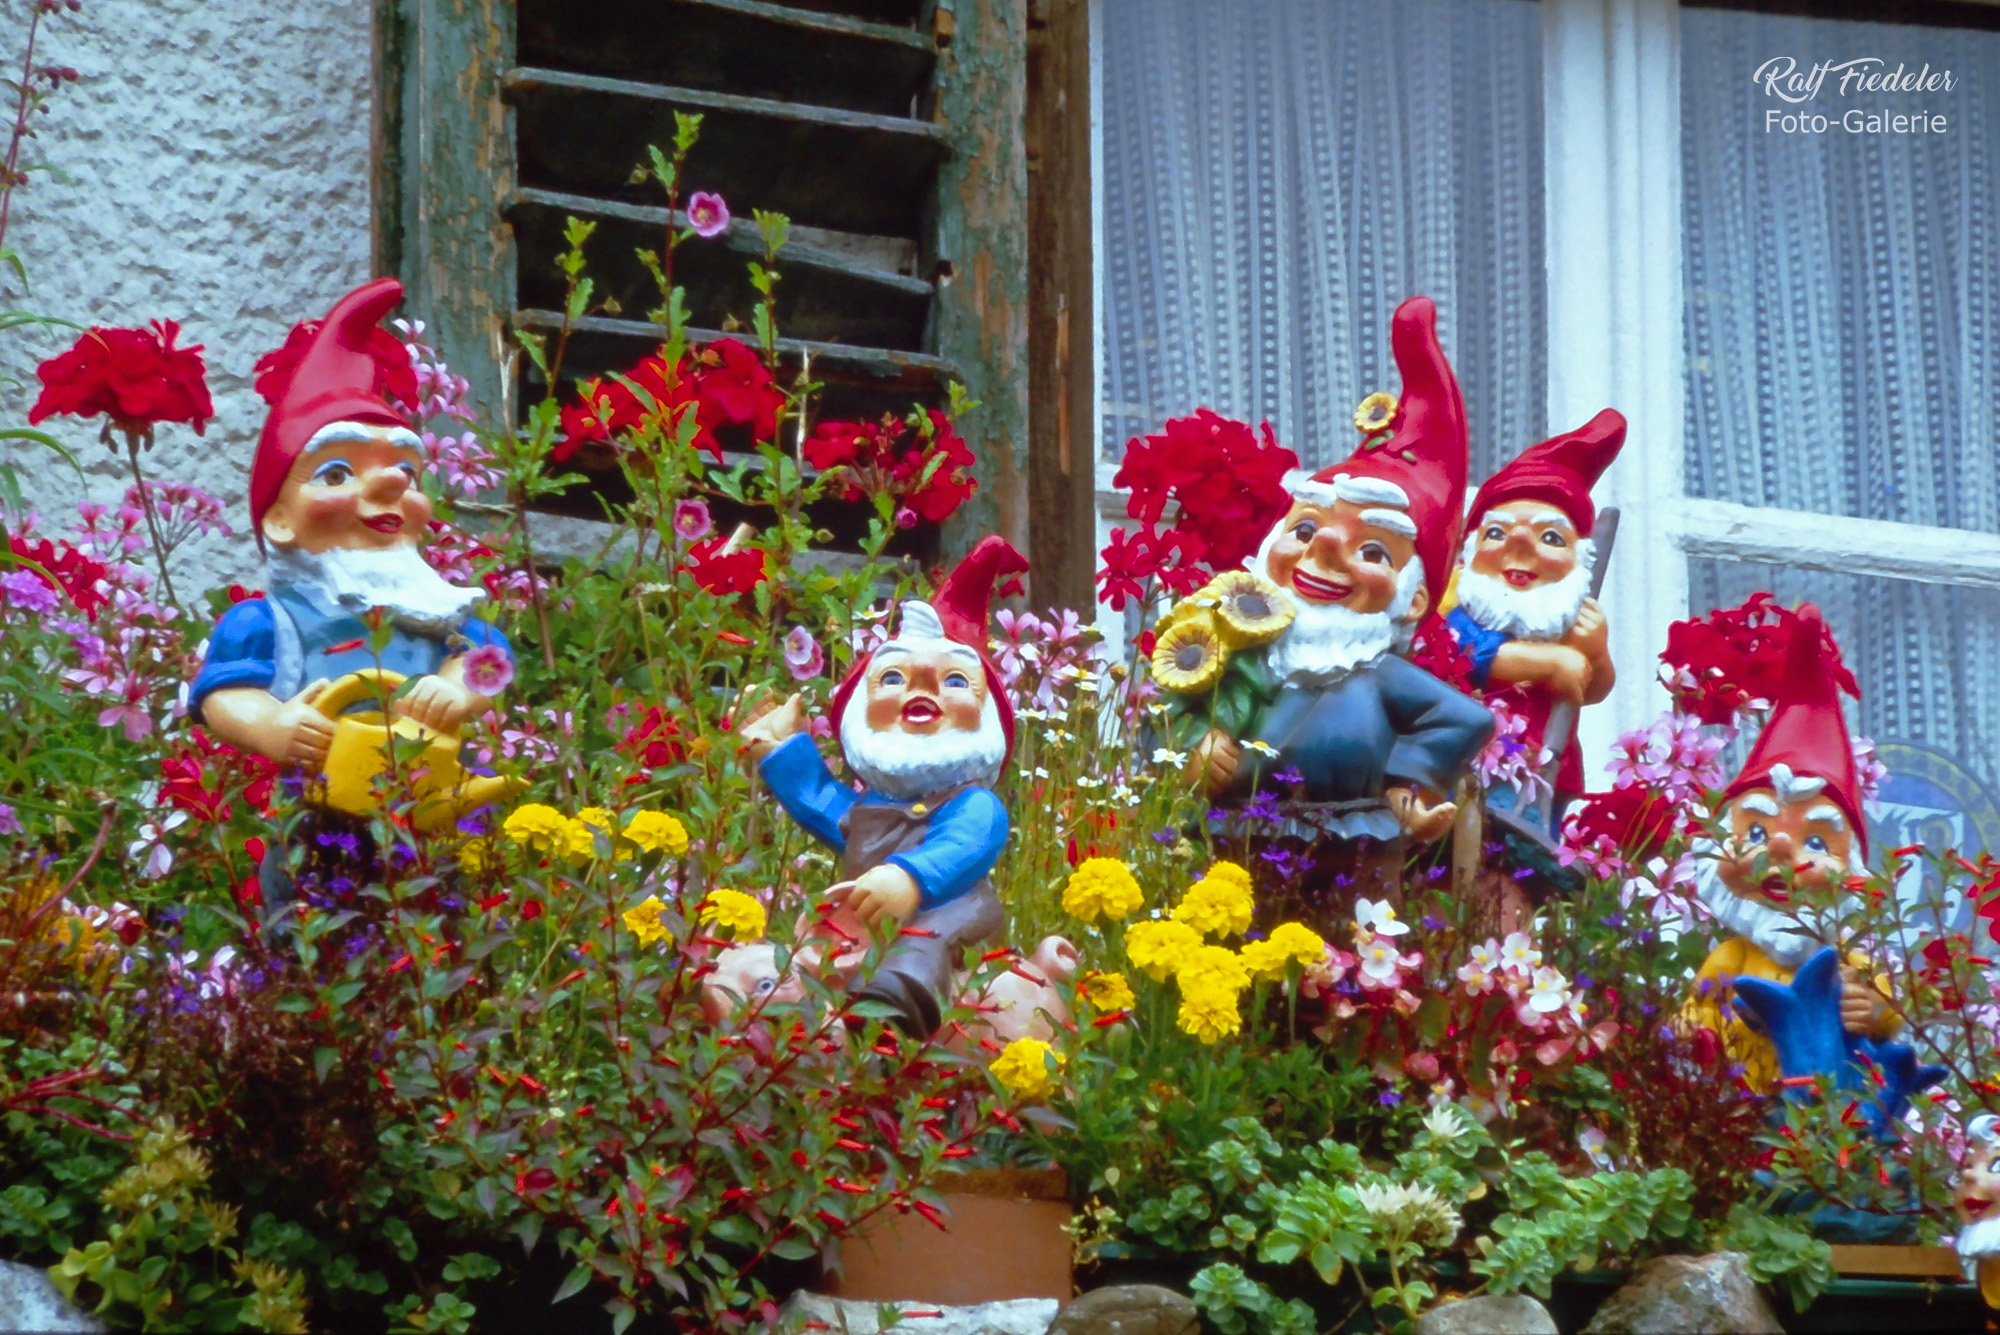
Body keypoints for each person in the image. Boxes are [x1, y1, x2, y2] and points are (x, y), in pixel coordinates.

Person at [188, 278, 515, 909]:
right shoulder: (267, 621)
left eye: (407, 471)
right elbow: (224, 697)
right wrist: (273, 728)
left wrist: (455, 687)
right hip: (316, 830)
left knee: (435, 935)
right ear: (279, 519)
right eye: (338, 472)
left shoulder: (432, 616)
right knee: (310, 936)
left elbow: (487, 662)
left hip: (429, 825)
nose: (392, 486)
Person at [1180, 297, 1494, 906]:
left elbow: (1466, 718)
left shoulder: (1381, 675)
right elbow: (1175, 703)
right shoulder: (1235, 650)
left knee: (1352, 957)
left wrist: (1410, 779)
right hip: (1237, 838)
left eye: (1372, 551)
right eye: (1304, 531)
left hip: (1355, 839)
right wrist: (1194, 743)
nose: (1323, 547)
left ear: (1413, 599)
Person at [739, 538, 1027, 1037]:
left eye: (955, 682)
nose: (921, 690)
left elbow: (965, 845)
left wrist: (911, 878)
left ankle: (897, 1012)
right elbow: (829, 807)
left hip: (951, 908)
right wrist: (782, 752)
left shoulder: (972, 804)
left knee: (921, 940)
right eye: (893, 677)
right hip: (868, 915)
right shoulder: (874, 807)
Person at [1680, 605, 1898, 1091]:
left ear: (1853, 869)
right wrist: (1704, 1033)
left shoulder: (1844, 962)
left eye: (1816, 842)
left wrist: (1875, 1009)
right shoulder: (1733, 959)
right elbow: (1696, 1014)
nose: (1781, 851)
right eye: (1755, 833)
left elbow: (1882, 1007)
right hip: (1734, 1113)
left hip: (1827, 1129)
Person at [1448, 409, 1623, 820]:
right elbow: (1463, 654)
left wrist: (1595, 655)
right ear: (1469, 554)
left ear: (1578, 559)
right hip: (1474, 761)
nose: (1521, 544)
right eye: (1497, 532)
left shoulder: (1568, 617)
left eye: (1550, 536)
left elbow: (1592, 689)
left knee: (1538, 851)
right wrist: (1547, 663)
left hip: (1550, 770)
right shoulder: (1463, 616)